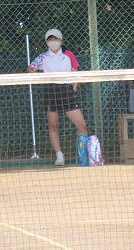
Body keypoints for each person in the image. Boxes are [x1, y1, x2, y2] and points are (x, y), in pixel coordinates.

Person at [27, 29, 88, 166]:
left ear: (60, 40)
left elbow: (75, 71)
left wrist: (74, 88)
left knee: (82, 125)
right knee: (53, 125)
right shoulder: (43, 56)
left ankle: (82, 155)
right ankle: (59, 156)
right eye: (50, 39)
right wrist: (42, 77)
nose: (53, 41)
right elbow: (30, 68)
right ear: (46, 41)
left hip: (67, 91)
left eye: (55, 39)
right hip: (50, 91)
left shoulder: (68, 54)